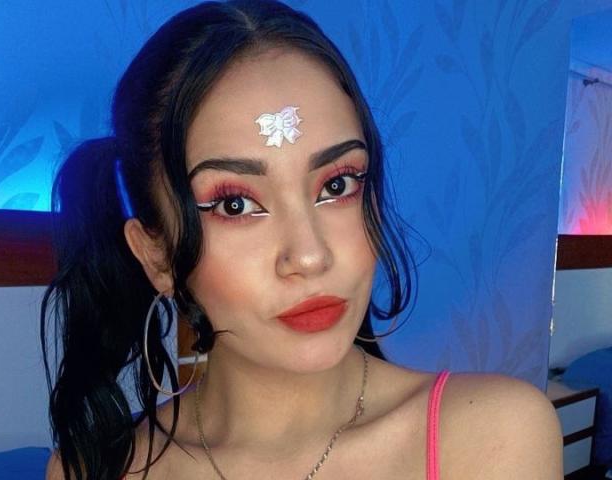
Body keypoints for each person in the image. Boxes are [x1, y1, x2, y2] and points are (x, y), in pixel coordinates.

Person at [43, 1, 563, 478]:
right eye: (234, 204)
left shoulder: (494, 439)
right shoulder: (90, 472)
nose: (311, 256)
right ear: (156, 255)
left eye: (337, 186)